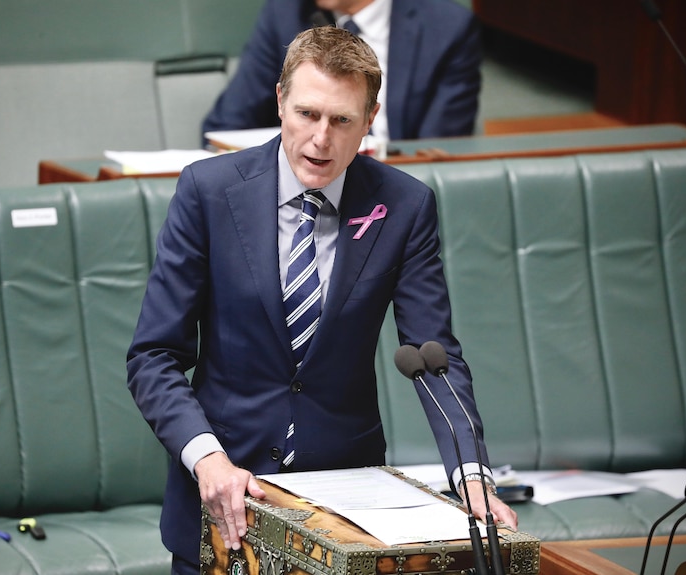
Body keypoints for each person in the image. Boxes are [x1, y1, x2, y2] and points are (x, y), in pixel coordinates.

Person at [128, 26, 516, 575]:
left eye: (341, 121)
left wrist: (472, 478)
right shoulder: (208, 192)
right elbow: (153, 356)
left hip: (343, 508)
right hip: (224, 498)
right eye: (308, 114)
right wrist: (206, 459)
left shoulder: (404, 207)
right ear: (280, 99)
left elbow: (435, 355)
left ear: (370, 119)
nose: (321, 140)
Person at [201, 0, 482, 144]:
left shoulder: (448, 28)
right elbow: (226, 125)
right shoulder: (286, 14)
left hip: (396, 196)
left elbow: (438, 152)